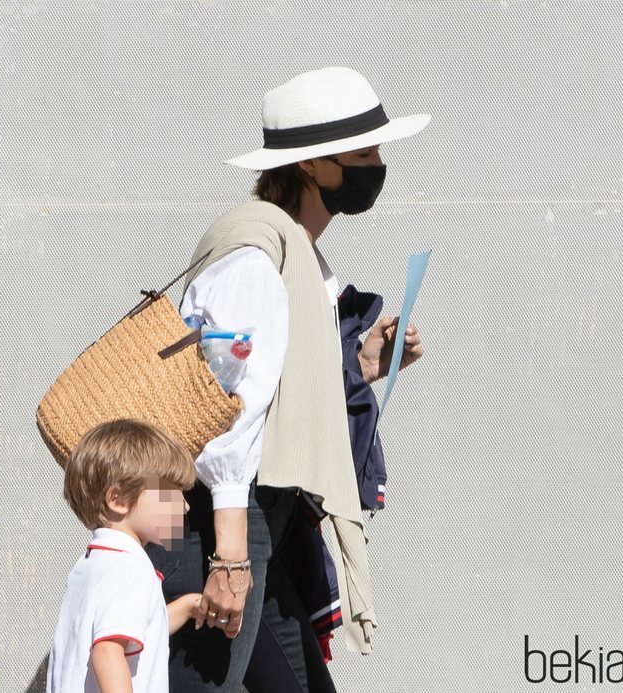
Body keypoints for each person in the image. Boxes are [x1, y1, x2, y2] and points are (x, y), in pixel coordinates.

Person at [145, 66, 430, 691]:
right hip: (214, 520)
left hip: (251, 522)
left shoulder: (296, 255)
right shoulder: (255, 259)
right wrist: (230, 558)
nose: (377, 164)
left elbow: (275, 382)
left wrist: (357, 368)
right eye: (362, 153)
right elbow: (229, 416)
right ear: (311, 166)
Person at [46, 419, 204, 693]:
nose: (185, 505)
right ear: (118, 499)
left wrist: (189, 607)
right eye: (171, 492)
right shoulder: (131, 568)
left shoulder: (92, 565)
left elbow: (134, 627)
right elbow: (107, 652)